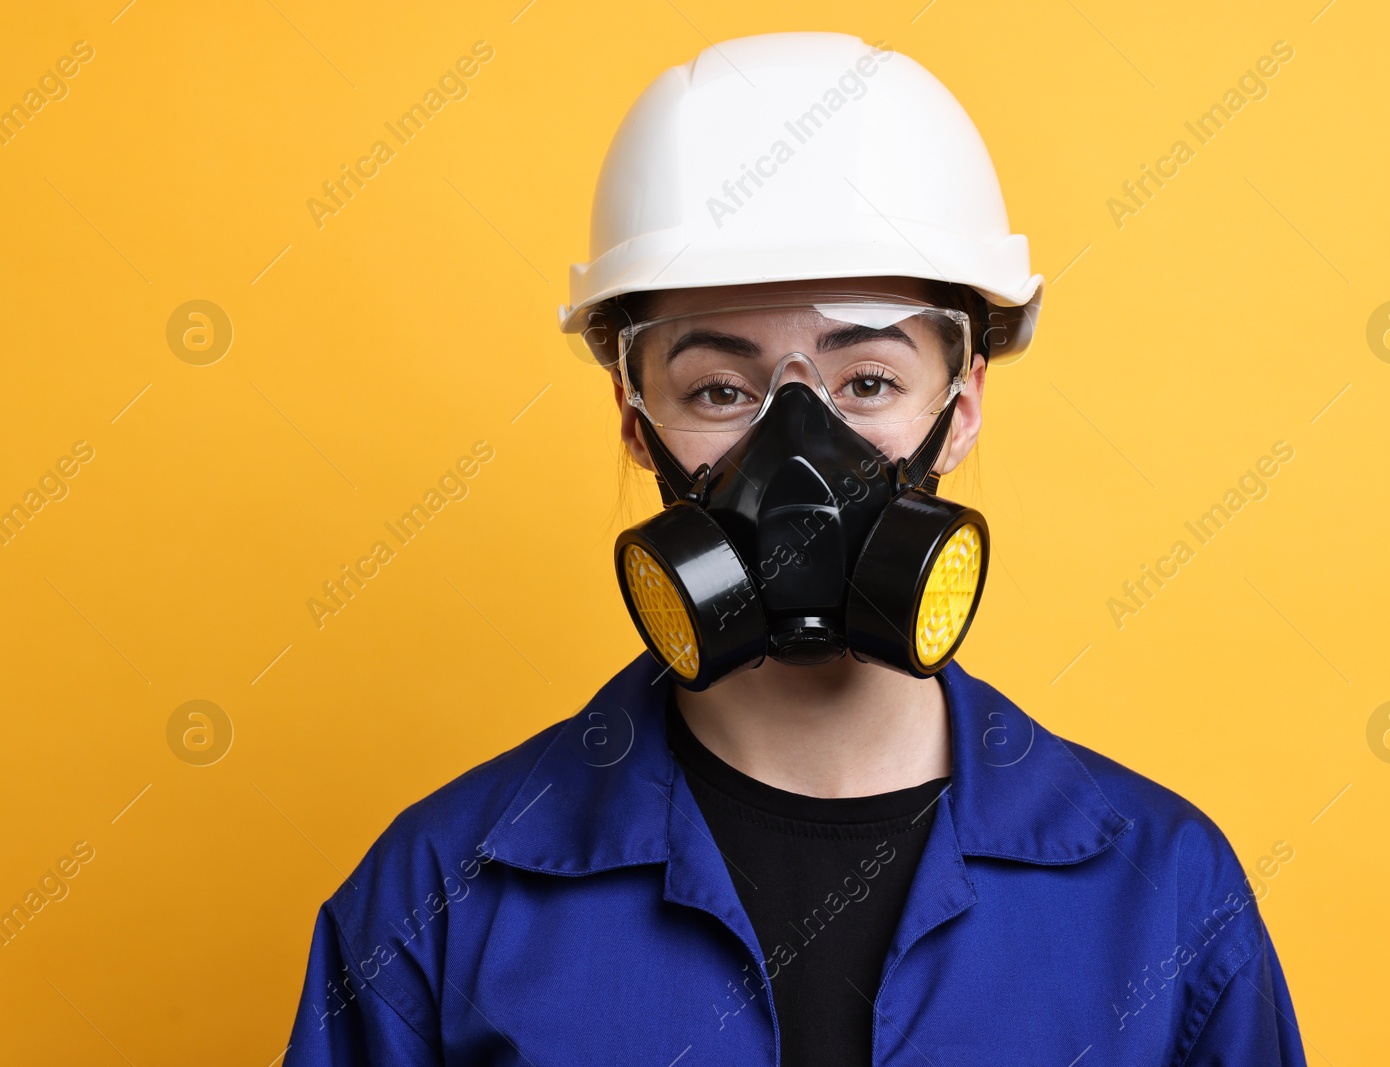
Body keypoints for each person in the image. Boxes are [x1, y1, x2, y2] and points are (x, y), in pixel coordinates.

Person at [284, 32, 1309, 1066]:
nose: (797, 456)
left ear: (961, 408)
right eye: (720, 391)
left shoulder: (1164, 896)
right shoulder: (438, 900)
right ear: (635, 420)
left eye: (866, 381)